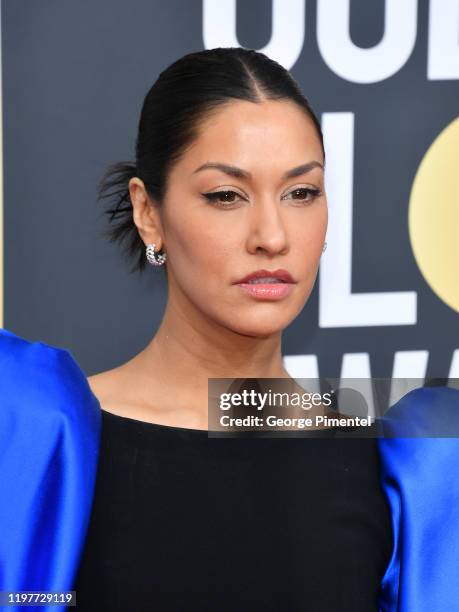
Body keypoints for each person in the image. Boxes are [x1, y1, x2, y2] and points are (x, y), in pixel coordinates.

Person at [0, 47, 458, 612]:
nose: (272, 235)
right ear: (148, 212)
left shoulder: (401, 478)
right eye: (226, 195)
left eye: (301, 193)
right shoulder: (40, 446)